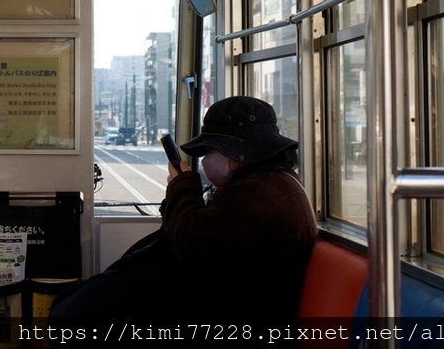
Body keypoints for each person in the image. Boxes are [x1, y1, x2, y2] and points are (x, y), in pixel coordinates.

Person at [50, 96, 316, 322]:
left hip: (236, 314)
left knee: (83, 313)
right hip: (225, 299)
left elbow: (192, 242)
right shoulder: (267, 185)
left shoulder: (259, 194)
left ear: (238, 155)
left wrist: (182, 184)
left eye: (209, 150)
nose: (204, 160)